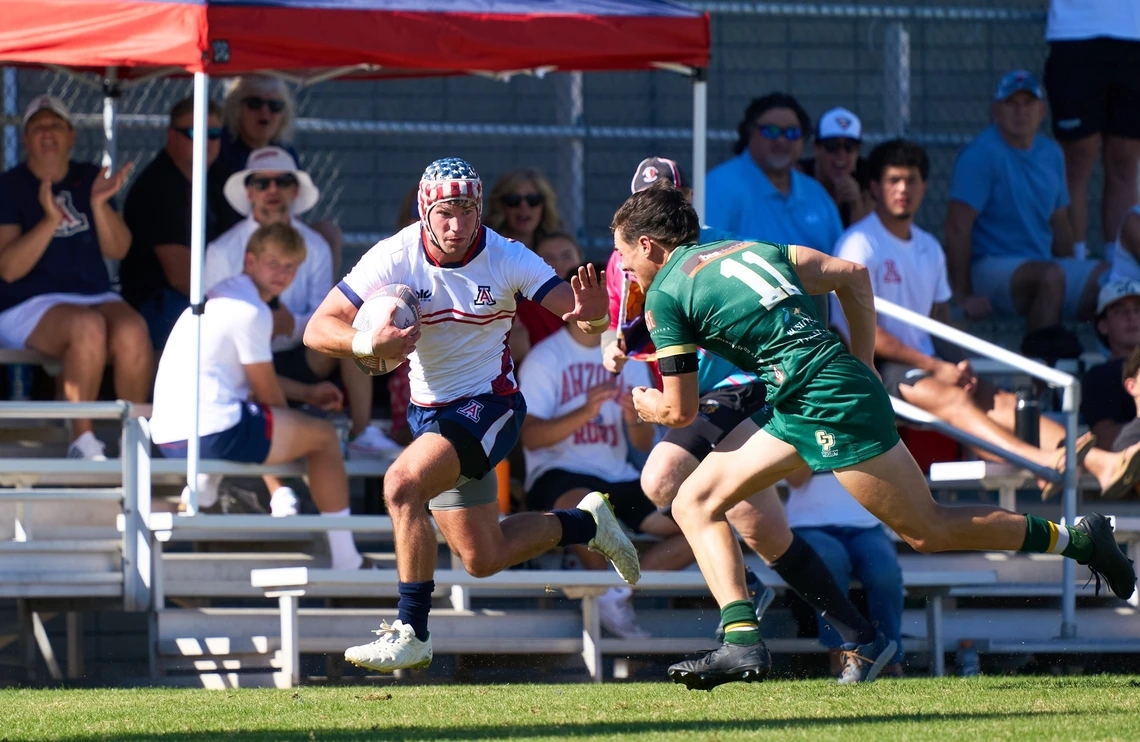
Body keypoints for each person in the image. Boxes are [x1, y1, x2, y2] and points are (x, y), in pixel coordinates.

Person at [612, 181, 1134, 691]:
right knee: (696, 501)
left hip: (822, 399)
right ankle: (742, 637)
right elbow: (853, 276)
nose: (626, 271)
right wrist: (860, 364)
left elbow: (679, 412)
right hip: (812, 391)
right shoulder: (749, 247)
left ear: (647, 245)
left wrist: (648, 404)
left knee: (928, 531)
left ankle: (1081, 540)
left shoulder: (665, 293)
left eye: (624, 256)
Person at [303, 158, 639, 673]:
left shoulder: (506, 256)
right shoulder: (395, 256)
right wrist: (368, 340)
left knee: (400, 484)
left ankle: (411, 630)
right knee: (483, 557)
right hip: (430, 415)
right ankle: (585, 523)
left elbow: (580, 320)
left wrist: (594, 313)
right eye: (445, 213)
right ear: (424, 211)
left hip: (492, 406)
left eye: (467, 211)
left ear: (480, 210)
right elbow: (317, 328)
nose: (457, 225)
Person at [606, 158, 890, 682]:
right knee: (762, 528)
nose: (665, 200)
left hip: (738, 386)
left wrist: (809, 351)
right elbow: (628, 328)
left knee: (662, 478)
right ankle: (861, 635)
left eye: (672, 190)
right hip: (703, 389)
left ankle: (739, 610)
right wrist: (610, 343)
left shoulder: (721, 243)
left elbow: (799, 290)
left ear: (686, 196)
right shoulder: (624, 259)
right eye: (650, 194)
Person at [832, 139, 1101, 499]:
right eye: (893, 180)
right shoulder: (859, 243)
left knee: (1004, 400)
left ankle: (1102, 462)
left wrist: (958, 363)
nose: (903, 189)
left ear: (925, 187)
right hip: (877, 368)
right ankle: (1041, 463)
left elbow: (938, 321)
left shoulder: (929, 246)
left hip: (928, 365)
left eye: (911, 180)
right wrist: (935, 365)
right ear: (874, 188)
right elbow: (857, 332)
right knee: (956, 400)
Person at [149, 223, 367, 568]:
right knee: (323, 437)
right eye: (273, 263)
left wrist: (307, 393)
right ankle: (347, 560)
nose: (282, 273)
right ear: (250, 261)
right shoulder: (250, 310)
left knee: (252, 414)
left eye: (290, 266)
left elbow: (248, 383)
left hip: (169, 436)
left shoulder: (224, 295)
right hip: (207, 433)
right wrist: (296, 426)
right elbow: (266, 393)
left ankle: (199, 493)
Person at [205, 147, 399, 471]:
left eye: (282, 181)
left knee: (351, 328)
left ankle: (362, 432)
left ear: (294, 190)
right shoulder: (220, 250)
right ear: (248, 191)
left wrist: (291, 325)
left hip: (301, 354)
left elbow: (328, 315)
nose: (272, 191)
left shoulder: (317, 246)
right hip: (242, 365)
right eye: (261, 183)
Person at [520, 300, 688, 638]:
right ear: (571, 308)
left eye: (607, 301)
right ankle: (606, 597)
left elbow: (642, 444)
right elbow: (531, 438)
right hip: (559, 472)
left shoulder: (629, 357)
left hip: (618, 474)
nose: (600, 313)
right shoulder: (545, 356)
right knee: (587, 506)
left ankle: (616, 594)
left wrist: (633, 419)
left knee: (695, 518)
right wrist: (585, 409)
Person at [0, 95, 150, 460]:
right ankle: (82, 442)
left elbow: (119, 249)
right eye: (37, 127)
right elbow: (8, 269)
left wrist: (99, 205)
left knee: (133, 329)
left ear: (71, 136)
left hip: (92, 295)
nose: (47, 133)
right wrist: (50, 220)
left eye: (55, 126)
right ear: (24, 140)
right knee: (88, 326)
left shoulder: (88, 178)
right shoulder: (10, 186)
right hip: (27, 302)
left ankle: (131, 439)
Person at [945, 71, 1107, 355]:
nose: (1021, 111)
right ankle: (1039, 388)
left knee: (1112, 280)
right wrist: (962, 295)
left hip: (1043, 264)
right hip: (989, 267)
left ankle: (1112, 375)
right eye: (1012, 104)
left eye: (1028, 103)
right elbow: (957, 227)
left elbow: (1059, 220)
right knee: (1051, 277)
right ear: (996, 111)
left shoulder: (1052, 153)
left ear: (1042, 110)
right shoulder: (981, 154)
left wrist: (1072, 269)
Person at [121, 97, 237, 351]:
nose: (206, 142)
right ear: (171, 136)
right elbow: (181, 276)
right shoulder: (159, 186)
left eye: (214, 133)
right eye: (194, 133)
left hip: (207, 291)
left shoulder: (220, 177)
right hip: (158, 301)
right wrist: (236, 301)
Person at [784, 470, 905, 679]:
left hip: (866, 525)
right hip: (808, 524)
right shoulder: (794, 435)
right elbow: (795, 479)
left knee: (884, 573)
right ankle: (842, 656)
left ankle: (889, 660)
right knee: (830, 563)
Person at [218, 76, 344, 274]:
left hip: (280, 235)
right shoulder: (217, 149)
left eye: (275, 105)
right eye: (254, 103)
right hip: (231, 235)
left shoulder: (285, 151)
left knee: (327, 234)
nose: (265, 111)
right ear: (236, 108)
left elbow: (292, 211)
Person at [1044, 0, 1140, 261]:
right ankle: (1075, 266)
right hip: (1075, 34)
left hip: (1134, 36)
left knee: (1125, 162)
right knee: (1076, 160)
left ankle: (1120, 271)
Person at [705, 93, 843, 255]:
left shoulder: (815, 192)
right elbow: (704, 256)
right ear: (750, 133)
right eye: (771, 131)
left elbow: (839, 258)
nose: (781, 141)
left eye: (792, 132)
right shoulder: (720, 186)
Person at [1082, 280, 1140, 447]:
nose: (1132, 317)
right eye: (1120, 311)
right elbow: (1104, 439)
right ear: (1103, 325)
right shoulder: (1101, 376)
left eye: (1138, 310)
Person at [511, 232, 583, 363]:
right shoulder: (523, 308)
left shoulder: (598, 302)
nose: (559, 264)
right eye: (548, 258)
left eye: (566, 256)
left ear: (580, 259)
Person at [798, 107, 872, 228]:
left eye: (849, 147)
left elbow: (866, 240)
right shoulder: (799, 177)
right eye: (832, 146)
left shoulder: (866, 179)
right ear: (816, 149)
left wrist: (856, 205)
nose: (841, 154)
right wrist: (833, 204)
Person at [483, 168, 563, 250]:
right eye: (514, 200)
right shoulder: (484, 247)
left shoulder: (558, 250)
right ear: (501, 206)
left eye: (533, 200)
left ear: (544, 205)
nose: (523, 207)